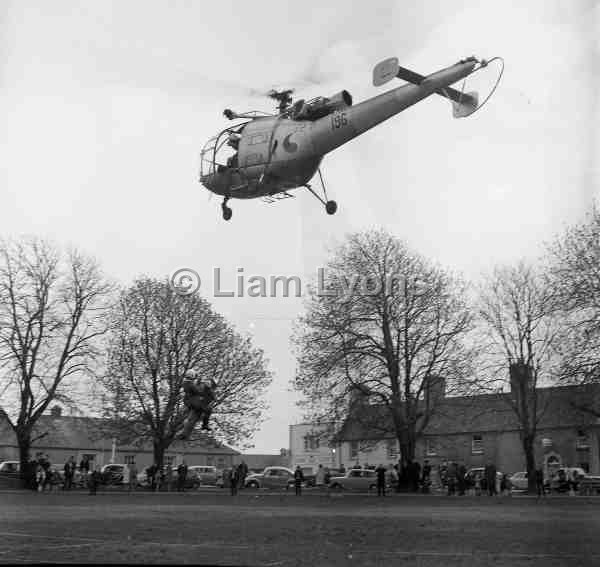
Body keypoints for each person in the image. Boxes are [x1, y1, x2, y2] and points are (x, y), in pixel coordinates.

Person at [178, 373, 217, 440]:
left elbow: (212, 398)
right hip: (197, 405)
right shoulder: (205, 388)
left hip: (196, 405)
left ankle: (185, 434)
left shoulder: (205, 388)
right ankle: (204, 425)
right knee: (207, 411)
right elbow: (212, 397)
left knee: (191, 420)